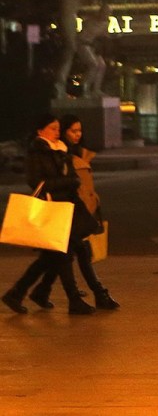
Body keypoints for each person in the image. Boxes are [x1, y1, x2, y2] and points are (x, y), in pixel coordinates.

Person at [1, 114, 98, 315]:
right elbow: (38, 182)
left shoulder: (61, 150)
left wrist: (70, 182)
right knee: (62, 256)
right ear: (40, 131)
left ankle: (21, 293)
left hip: (67, 209)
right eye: (52, 128)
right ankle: (72, 299)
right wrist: (69, 182)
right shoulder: (37, 152)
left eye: (57, 128)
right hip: (52, 209)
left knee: (51, 258)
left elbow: (71, 177)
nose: (56, 132)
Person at [27, 115, 119, 311]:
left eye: (79, 131)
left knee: (60, 258)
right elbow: (42, 181)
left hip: (74, 210)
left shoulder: (66, 152)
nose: (76, 135)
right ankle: (85, 297)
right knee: (69, 256)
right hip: (61, 211)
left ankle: (37, 292)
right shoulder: (52, 153)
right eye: (72, 131)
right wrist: (72, 183)